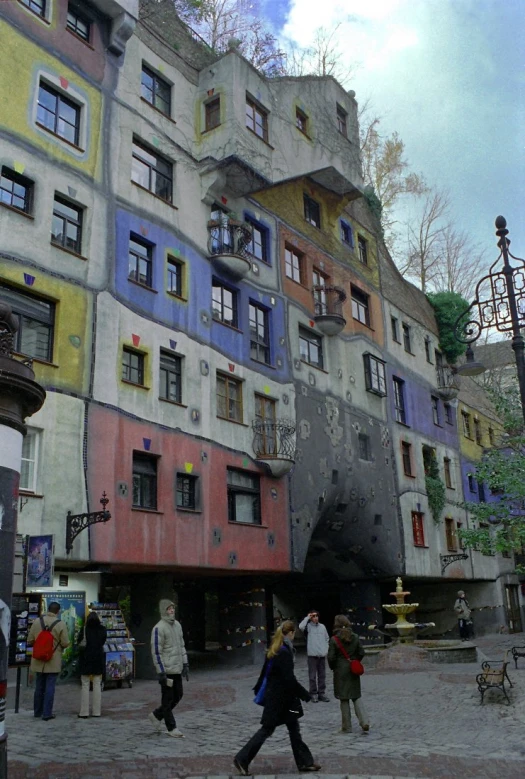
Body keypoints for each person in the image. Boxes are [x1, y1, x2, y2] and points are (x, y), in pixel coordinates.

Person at [234, 620, 321, 776]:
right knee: (267, 729)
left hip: (281, 699)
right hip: (280, 700)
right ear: (291, 633)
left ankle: (305, 762)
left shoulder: (276, 648)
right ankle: (242, 758)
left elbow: (265, 673)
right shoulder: (284, 652)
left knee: (294, 730)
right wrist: (305, 694)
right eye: (294, 633)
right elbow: (289, 679)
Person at [149, 599, 189, 737]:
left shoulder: (177, 625)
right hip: (167, 670)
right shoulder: (158, 628)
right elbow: (156, 651)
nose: (172, 610)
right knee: (167, 699)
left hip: (176, 668)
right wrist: (161, 672)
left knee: (178, 694)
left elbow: (181, 645)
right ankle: (172, 727)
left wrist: (185, 663)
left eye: (172, 608)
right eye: (169, 608)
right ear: (164, 610)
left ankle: (156, 715)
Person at [27, 601, 69, 720]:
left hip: (38, 659)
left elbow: (30, 640)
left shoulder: (36, 622)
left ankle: (37, 711)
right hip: (53, 659)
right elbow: (65, 642)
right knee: (50, 686)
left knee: (39, 685)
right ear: (58, 611)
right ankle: (47, 713)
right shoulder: (61, 624)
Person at [327, 614, 369, 734]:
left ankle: (347, 727)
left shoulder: (334, 639)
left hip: (340, 671)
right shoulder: (355, 637)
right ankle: (364, 721)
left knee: (344, 698)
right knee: (356, 696)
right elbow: (361, 652)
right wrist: (355, 662)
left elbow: (331, 657)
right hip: (352, 670)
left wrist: (334, 667)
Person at [77, 611, 107, 718]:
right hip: (98, 658)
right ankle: (96, 711)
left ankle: (84, 712)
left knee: (85, 684)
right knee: (97, 684)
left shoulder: (84, 629)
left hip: (86, 658)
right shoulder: (103, 629)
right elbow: (103, 642)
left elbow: (78, 642)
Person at [298, 610, 330, 702]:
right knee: (312, 676)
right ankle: (313, 693)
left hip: (321, 655)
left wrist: (326, 649)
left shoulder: (322, 627)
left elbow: (326, 638)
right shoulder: (308, 627)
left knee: (322, 675)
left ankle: (321, 693)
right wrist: (307, 617)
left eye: (316, 616)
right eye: (313, 616)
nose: (315, 617)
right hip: (312, 655)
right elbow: (300, 626)